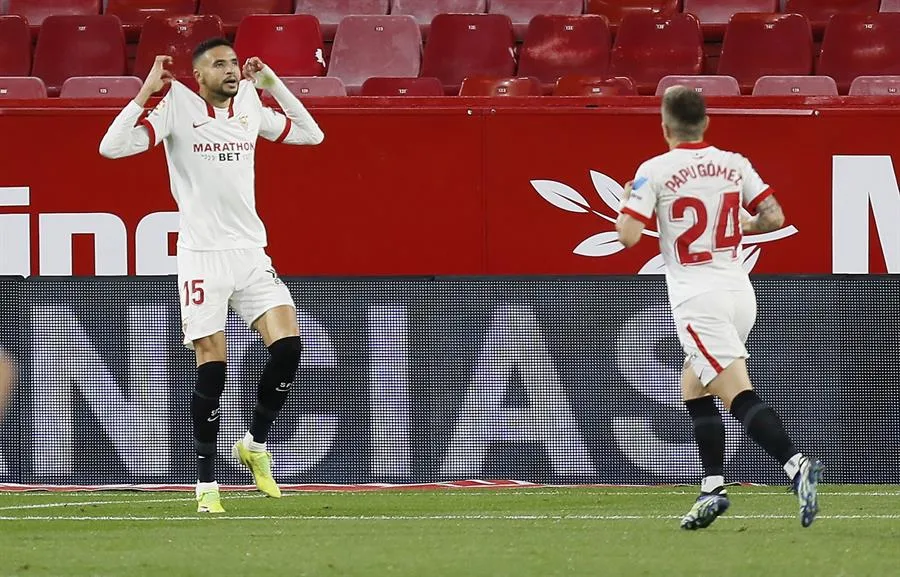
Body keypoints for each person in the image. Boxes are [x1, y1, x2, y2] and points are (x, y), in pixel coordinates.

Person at [99, 37, 325, 513]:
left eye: (233, 63)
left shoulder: (248, 103)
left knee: (288, 348)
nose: (230, 70)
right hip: (202, 256)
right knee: (214, 367)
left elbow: (311, 134)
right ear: (197, 76)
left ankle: (254, 444)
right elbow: (111, 147)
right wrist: (145, 94)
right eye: (218, 65)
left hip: (249, 252)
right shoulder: (175, 107)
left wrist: (270, 84)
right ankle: (206, 486)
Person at [615, 86, 823, 530]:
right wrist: (740, 223)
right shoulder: (734, 163)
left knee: (736, 394)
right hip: (739, 294)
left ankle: (795, 464)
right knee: (693, 387)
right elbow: (774, 218)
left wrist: (626, 205)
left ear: (665, 126)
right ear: (705, 123)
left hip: (699, 299)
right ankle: (712, 489)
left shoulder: (654, 170)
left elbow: (629, 236)